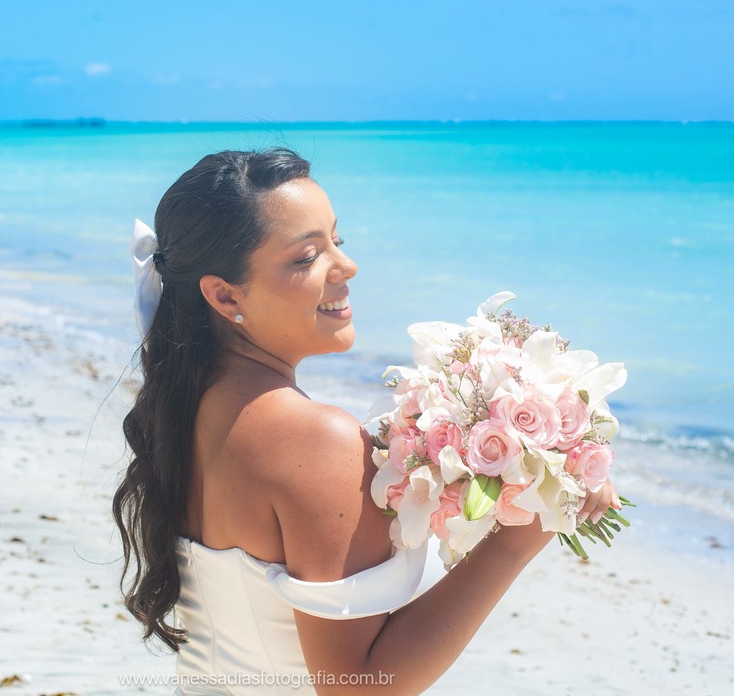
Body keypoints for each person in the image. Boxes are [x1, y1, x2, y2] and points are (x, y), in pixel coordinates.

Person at [113, 149, 619, 695]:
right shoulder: (312, 438)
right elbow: (357, 688)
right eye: (307, 256)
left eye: (338, 240)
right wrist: (519, 539)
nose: (345, 266)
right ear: (225, 294)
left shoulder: (187, 406)